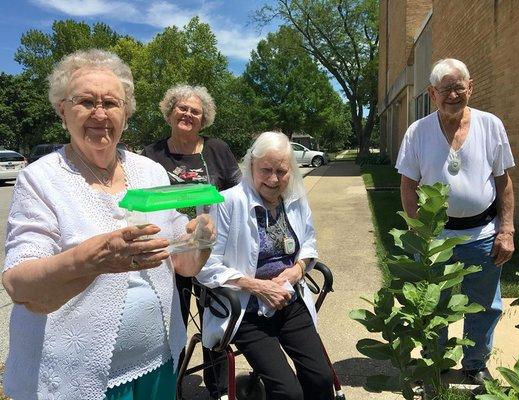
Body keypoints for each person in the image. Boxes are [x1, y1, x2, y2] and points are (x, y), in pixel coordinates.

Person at [1, 49, 214, 400]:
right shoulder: (40, 179)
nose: (100, 113)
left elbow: (183, 263)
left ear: (125, 114)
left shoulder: (150, 171)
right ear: (62, 111)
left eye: (111, 103)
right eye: (86, 101)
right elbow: (18, 284)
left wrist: (200, 242)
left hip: (157, 363)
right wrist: (92, 259)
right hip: (76, 377)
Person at [395, 58, 515, 385]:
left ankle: (475, 365)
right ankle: (438, 364)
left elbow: (503, 182)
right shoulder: (417, 132)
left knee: (484, 305)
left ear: (470, 88)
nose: (452, 95)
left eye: (458, 87)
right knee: (435, 305)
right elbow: (408, 186)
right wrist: (419, 232)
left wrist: (506, 229)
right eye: (445, 89)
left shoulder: (491, 125)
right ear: (432, 93)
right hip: (436, 238)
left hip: (483, 235)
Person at [197, 131, 334, 400]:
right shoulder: (228, 203)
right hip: (246, 309)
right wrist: (258, 286)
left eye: (281, 171)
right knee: (288, 392)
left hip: (288, 300)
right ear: (251, 167)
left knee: (321, 377)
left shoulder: (294, 199)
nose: (273, 179)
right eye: (266, 170)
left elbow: (309, 243)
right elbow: (206, 266)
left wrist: (297, 270)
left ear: (291, 171)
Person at [143, 84, 241, 399]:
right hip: (170, 254)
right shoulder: (151, 155)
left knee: (216, 318)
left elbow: (238, 194)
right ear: (169, 113)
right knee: (170, 324)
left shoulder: (218, 149)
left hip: (213, 250)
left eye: (195, 111)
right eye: (182, 108)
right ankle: (168, 387)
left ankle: (219, 388)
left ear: (204, 119)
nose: (188, 114)